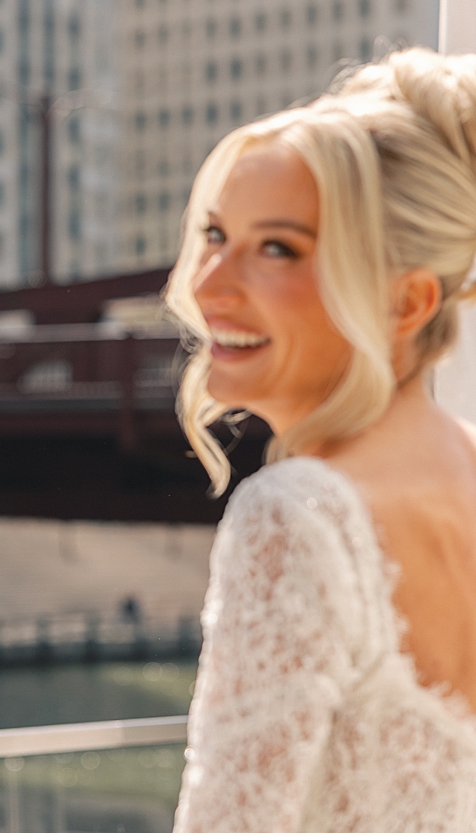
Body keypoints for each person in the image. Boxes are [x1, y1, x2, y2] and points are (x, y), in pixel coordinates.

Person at [167, 47, 476, 832]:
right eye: (214, 234)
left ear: (407, 301)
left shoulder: (299, 516)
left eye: (278, 248)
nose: (206, 286)